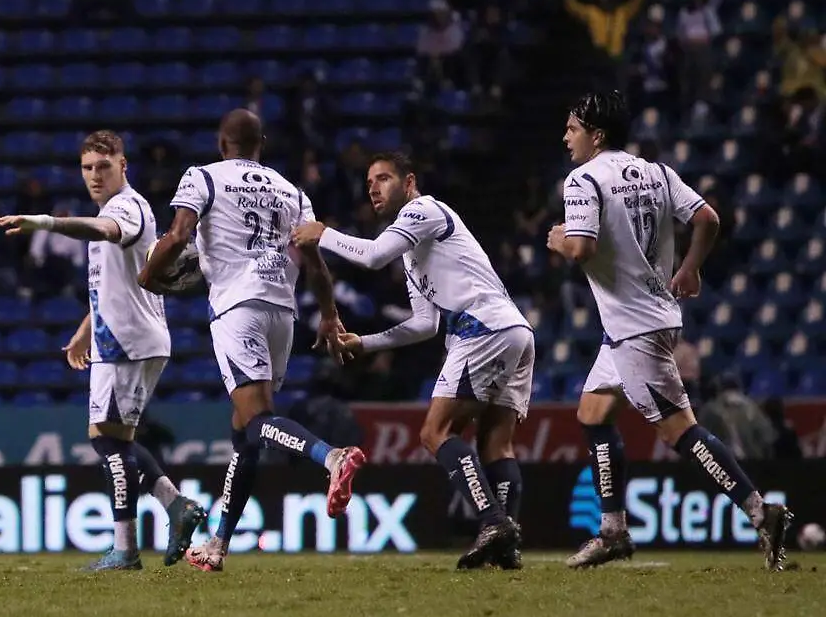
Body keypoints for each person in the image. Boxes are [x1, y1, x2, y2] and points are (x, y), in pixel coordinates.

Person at [548, 90, 793, 570]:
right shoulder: (656, 172)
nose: (566, 137)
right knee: (593, 413)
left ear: (596, 136)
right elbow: (708, 218)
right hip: (644, 321)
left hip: (635, 331)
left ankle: (762, 512)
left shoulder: (582, 179)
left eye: (573, 128)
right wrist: (691, 268)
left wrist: (560, 240)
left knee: (680, 431)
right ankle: (613, 531)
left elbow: (580, 247)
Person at [138, 109, 365, 572]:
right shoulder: (291, 191)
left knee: (258, 419)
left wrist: (148, 274)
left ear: (222, 144)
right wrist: (328, 315)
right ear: (260, 143)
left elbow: (179, 235)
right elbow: (315, 263)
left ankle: (331, 457)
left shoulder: (202, 176)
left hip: (236, 307)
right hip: (282, 311)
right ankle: (218, 544)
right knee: (245, 433)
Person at [292, 151, 533, 569]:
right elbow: (424, 324)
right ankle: (505, 546)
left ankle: (493, 522)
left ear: (408, 183)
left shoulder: (423, 210)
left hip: (482, 329)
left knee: (434, 432)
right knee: (496, 442)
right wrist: (363, 344)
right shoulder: (412, 250)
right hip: (513, 331)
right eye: (369, 183)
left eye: (383, 179)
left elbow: (370, 256)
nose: (373, 188)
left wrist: (323, 233)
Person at [0, 130, 207, 571]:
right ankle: (167, 514)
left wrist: (47, 222)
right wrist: (84, 330)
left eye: (103, 167)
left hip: (130, 342)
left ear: (123, 166)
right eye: (88, 168)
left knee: (106, 440)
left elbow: (107, 231)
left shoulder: (124, 208)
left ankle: (133, 542)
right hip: (120, 338)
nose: (95, 175)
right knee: (116, 440)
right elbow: (119, 283)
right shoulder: (116, 206)